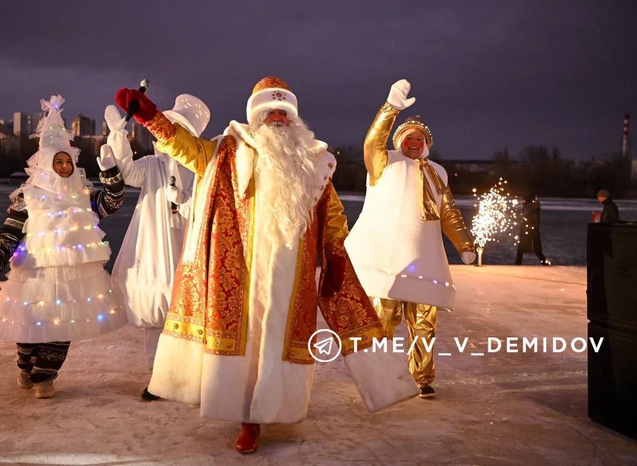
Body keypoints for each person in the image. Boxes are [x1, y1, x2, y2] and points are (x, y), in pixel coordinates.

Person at [115, 77, 417, 454]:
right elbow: (188, 149)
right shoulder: (228, 151)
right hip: (240, 269)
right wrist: (151, 118)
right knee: (246, 343)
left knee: (276, 346)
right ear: (255, 117)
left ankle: (264, 412)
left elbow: (333, 213)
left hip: (291, 277)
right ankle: (247, 417)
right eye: (268, 112)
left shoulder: (315, 160)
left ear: (293, 118)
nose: (276, 118)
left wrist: (335, 251)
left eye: (283, 112)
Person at [0, 95, 127, 399]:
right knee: (30, 323)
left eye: (67, 161)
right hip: (35, 274)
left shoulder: (83, 194)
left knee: (61, 325)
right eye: (57, 161)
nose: (63, 166)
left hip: (72, 277)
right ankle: (26, 366)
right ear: (46, 163)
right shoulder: (28, 196)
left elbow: (111, 203)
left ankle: (45, 376)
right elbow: (11, 232)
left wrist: (111, 173)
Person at [344, 79, 476, 400]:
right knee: (382, 322)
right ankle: (381, 375)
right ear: (399, 141)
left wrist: (465, 244)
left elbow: (449, 214)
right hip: (389, 260)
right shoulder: (385, 162)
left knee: (424, 325)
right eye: (408, 138)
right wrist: (390, 108)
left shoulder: (438, 173)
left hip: (425, 260)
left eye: (420, 139)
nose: (414, 142)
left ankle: (422, 377)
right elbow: (372, 141)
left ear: (426, 144)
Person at [104, 95, 210, 401]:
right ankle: (157, 378)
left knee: (188, 314)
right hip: (154, 246)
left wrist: (184, 201)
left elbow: (204, 211)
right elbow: (129, 172)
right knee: (156, 314)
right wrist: (118, 140)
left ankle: (192, 377)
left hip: (186, 247)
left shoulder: (201, 169)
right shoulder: (153, 165)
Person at [515, 194, 551, 266]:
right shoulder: (533, 207)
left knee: (528, 249)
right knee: (533, 249)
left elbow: (533, 221)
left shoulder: (531, 208)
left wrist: (529, 227)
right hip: (530, 231)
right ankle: (544, 262)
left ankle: (517, 264)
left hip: (530, 232)